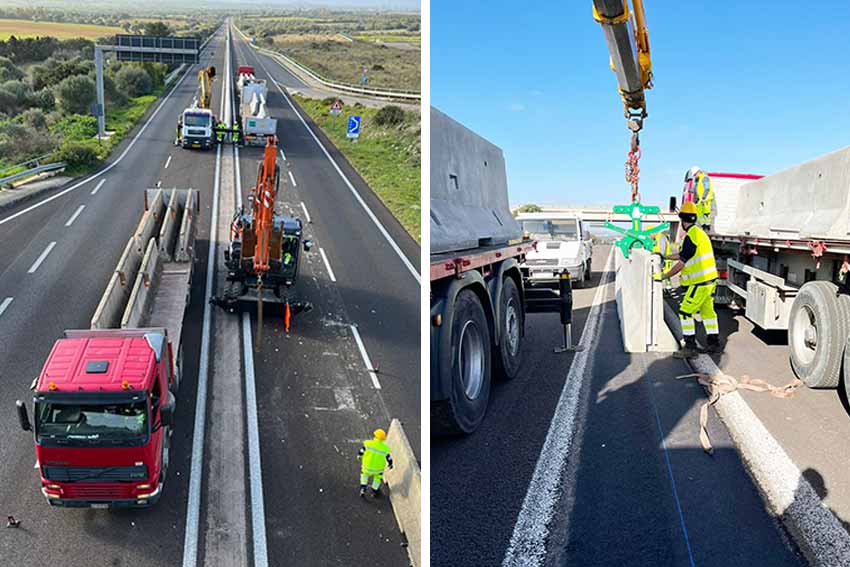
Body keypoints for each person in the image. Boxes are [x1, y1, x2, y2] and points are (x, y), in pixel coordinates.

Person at [658, 201, 721, 357]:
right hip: (710, 282)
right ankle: (713, 344)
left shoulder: (691, 236)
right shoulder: (699, 234)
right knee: (708, 314)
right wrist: (666, 256)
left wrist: (664, 276)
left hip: (699, 284)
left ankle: (690, 348)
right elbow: (683, 254)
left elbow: (682, 262)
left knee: (685, 312)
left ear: (683, 221)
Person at [358, 428, 393, 497]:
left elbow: (361, 451)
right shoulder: (385, 448)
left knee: (364, 475)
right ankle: (374, 490)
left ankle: (363, 488)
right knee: (377, 478)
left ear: (375, 436)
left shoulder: (368, 444)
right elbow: (389, 458)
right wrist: (390, 464)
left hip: (367, 466)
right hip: (378, 469)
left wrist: (359, 456)